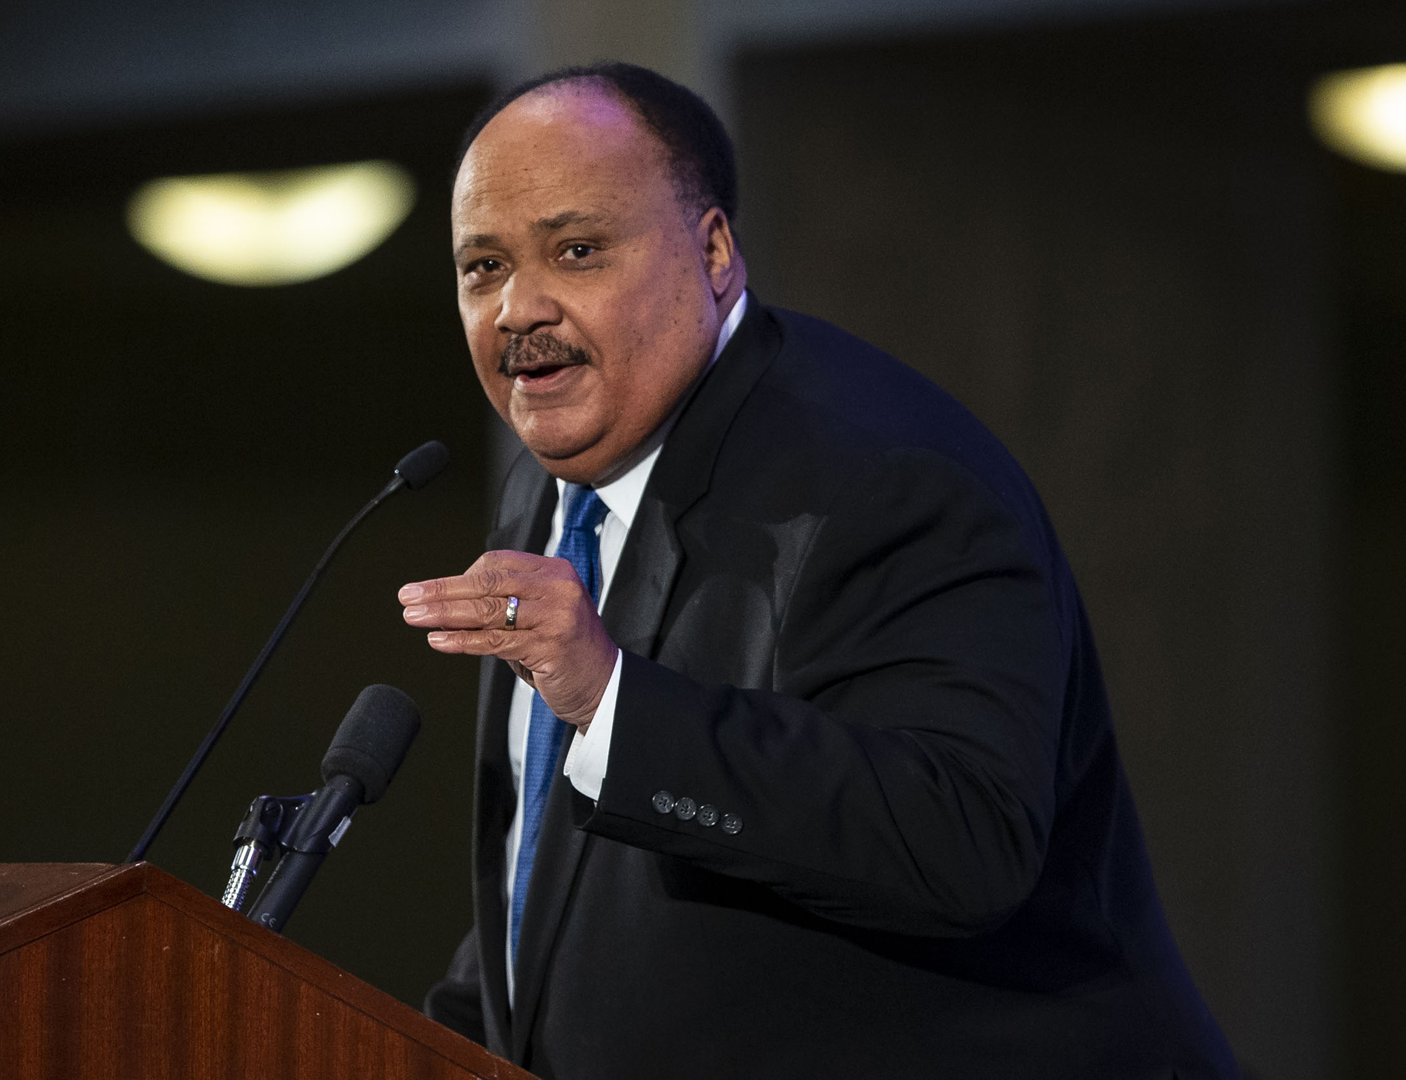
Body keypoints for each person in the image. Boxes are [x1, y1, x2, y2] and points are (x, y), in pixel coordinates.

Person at [397, 62, 1237, 1079]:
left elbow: (961, 838)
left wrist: (613, 701)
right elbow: (561, 878)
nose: (518, 308)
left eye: (577, 251)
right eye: (481, 267)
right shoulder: (553, 494)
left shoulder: (887, 477)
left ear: (712, 252)